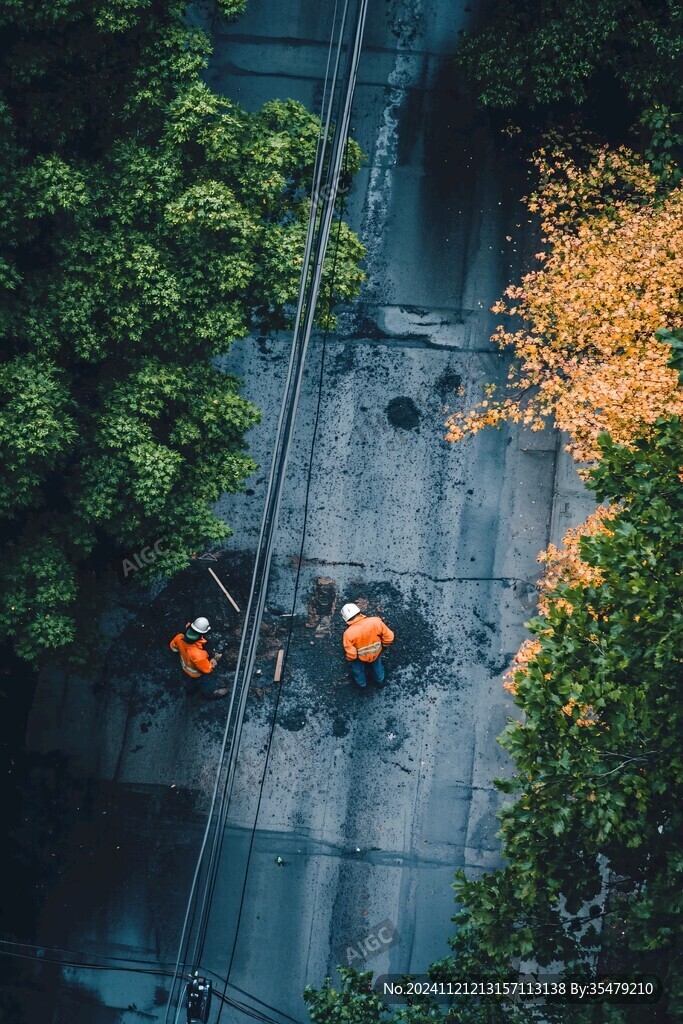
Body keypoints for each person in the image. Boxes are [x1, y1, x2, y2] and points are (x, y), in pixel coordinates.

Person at [169, 616, 229, 700]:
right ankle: (211, 693)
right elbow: (207, 669)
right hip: (197, 674)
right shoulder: (197, 654)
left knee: (189, 683)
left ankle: (190, 691)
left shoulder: (179, 637)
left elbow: (173, 647)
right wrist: (214, 659)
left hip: (185, 668)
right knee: (204, 682)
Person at [341, 602, 395, 689]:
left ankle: (362, 684)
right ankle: (380, 680)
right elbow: (389, 636)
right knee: (378, 666)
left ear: (346, 619)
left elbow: (352, 654)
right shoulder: (375, 621)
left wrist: (350, 659)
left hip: (360, 657)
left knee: (358, 670)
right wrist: (384, 645)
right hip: (376, 652)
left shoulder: (348, 634)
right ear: (359, 612)